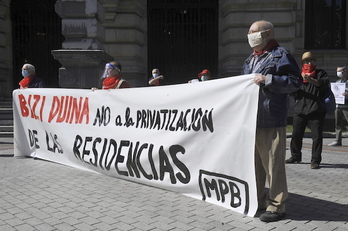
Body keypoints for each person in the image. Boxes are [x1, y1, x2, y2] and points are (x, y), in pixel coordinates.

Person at [242, 20, 302, 222]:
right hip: (252, 119)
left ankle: (277, 206)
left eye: (253, 32)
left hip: (271, 118)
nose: (249, 35)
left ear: (266, 33)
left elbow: (296, 82)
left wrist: (268, 80)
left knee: (273, 165)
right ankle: (258, 201)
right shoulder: (251, 59)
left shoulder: (281, 55)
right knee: (255, 165)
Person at [286, 51, 330, 170]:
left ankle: (315, 160)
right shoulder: (298, 76)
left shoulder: (321, 73)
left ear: (315, 62)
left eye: (311, 61)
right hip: (300, 110)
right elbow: (292, 91)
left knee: (316, 137)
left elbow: (323, 84)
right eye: (306, 61)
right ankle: (295, 156)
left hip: (316, 111)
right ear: (302, 63)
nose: (309, 63)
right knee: (296, 135)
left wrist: (311, 80)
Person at [328, 66, 348, 146]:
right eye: (337, 71)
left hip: (346, 106)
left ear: (345, 71)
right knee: (338, 124)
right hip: (338, 105)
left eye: (340, 71)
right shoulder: (338, 82)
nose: (338, 73)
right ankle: (337, 140)